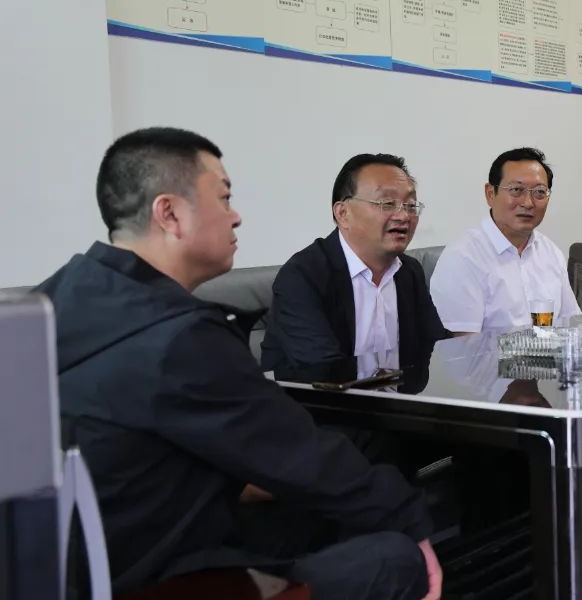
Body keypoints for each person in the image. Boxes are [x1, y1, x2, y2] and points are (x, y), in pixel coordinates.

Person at [37, 128, 441, 600]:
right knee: (395, 560)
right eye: (224, 197)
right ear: (170, 213)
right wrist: (412, 523)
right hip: (160, 576)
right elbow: (300, 454)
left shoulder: (50, 303)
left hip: (63, 569)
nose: (236, 216)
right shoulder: (180, 335)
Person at [260, 153, 448, 381]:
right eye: (387, 203)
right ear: (343, 213)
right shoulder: (303, 275)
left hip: (397, 400)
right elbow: (323, 370)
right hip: (321, 401)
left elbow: (437, 349)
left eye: (410, 205)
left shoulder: (409, 272)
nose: (403, 216)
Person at [429, 147, 579, 333]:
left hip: (551, 352)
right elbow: (462, 344)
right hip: (486, 354)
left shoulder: (551, 252)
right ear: (490, 194)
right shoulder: (462, 257)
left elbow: (572, 326)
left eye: (539, 192)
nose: (528, 203)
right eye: (516, 190)